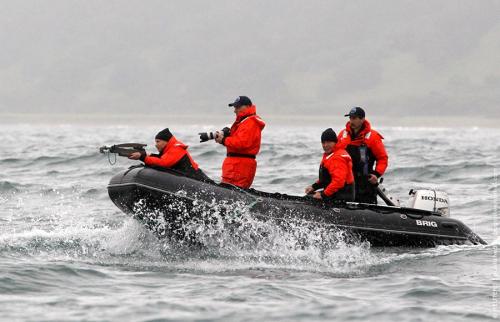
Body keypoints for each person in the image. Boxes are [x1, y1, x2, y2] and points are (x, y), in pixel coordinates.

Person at [337, 107, 388, 204]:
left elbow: (382, 158)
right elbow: (334, 154)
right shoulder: (342, 135)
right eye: (350, 118)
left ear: (362, 119)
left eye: (354, 118)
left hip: (365, 182)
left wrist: (376, 174)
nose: (351, 121)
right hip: (346, 181)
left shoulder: (373, 137)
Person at [214, 96, 266, 189]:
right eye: (235, 107)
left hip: (239, 166)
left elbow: (242, 143)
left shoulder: (250, 122)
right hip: (237, 164)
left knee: (233, 193)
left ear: (246, 107)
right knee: (230, 193)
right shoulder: (244, 122)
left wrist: (223, 140)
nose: (235, 110)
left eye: (237, 107)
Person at [129, 128, 209, 181]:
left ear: (166, 141)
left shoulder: (177, 148)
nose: (156, 145)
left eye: (158, 141)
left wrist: (143, 157)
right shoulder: (169, 151)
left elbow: (163, 163)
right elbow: (159, 158)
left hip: (198, 178)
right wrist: (143, 155)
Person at [305, 128, 355, 202]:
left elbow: (339, 182)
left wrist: (323, 194)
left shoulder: (338, 157)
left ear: (335, 142)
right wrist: (314, 187)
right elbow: (326, 178)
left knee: (309, 199)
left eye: (328, 142)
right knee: (308, 197)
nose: (325, 145)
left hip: (342, 197)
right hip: (333, 194)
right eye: (323, 142)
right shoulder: (330, 155)